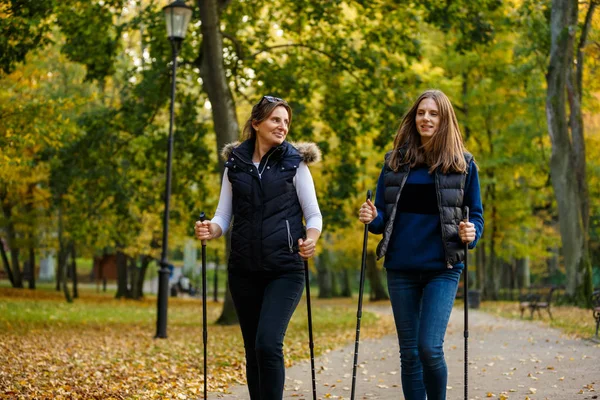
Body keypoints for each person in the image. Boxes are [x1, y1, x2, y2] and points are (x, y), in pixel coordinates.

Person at [358, 89, 484, 400]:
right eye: (420, 113)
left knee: (429, 347)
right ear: (413, 118)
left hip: (443, 267)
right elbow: (382, 220)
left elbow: (476, 215)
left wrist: (472, 233)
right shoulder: (395, 163)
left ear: (444, 120)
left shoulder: (463, 165)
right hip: (400, 268)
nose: (425, 118)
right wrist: (371, 217)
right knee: (409, 353)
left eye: (433, 113)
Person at [194, 95, 322, 400]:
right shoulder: (235, 165)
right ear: (256, 123)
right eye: (276, 120)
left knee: (267, 343)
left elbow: (313, 213)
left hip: (285, 269)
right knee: (252, 349)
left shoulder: (295, 163)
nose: (283, 127)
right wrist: (209, 229)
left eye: (286, 122)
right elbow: (223, 216)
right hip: (244, 270)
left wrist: (312, 240)